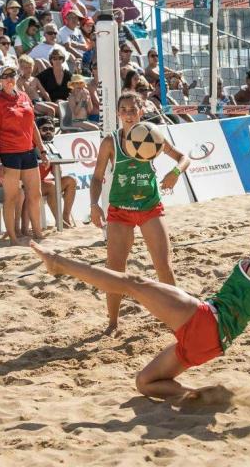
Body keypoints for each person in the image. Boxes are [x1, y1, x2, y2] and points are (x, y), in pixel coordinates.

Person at [33, 198, 250, 397]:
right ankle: (197, 397)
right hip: (212, 340)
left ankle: (60, 264)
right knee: (146, 382)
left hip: (209, 321)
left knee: (133, 282)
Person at [89, 93, 189, 334]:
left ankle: (178, 319)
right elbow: (96, 177)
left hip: (149, 207)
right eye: (123, 109)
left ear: (141, 111)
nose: (128, 113)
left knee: (163, 266)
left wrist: (175, 173)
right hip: (120, 210)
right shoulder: (110, 142)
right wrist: (94, 204)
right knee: (115, 270)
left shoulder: (153, 135)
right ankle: (112, 323)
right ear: (118, 113)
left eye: (132, 109)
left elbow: (183, 158)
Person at [0, 65, 49, 244]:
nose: (8, 79)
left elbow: (33, 125)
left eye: (11, 75)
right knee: (12, 197)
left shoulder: (24, 96)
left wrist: (42, 150)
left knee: (35, 194)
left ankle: (37, 233)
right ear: (0, 81)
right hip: (9, 154)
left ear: (16, 77)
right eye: (4, 77)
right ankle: (13, 237)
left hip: (28, 151)